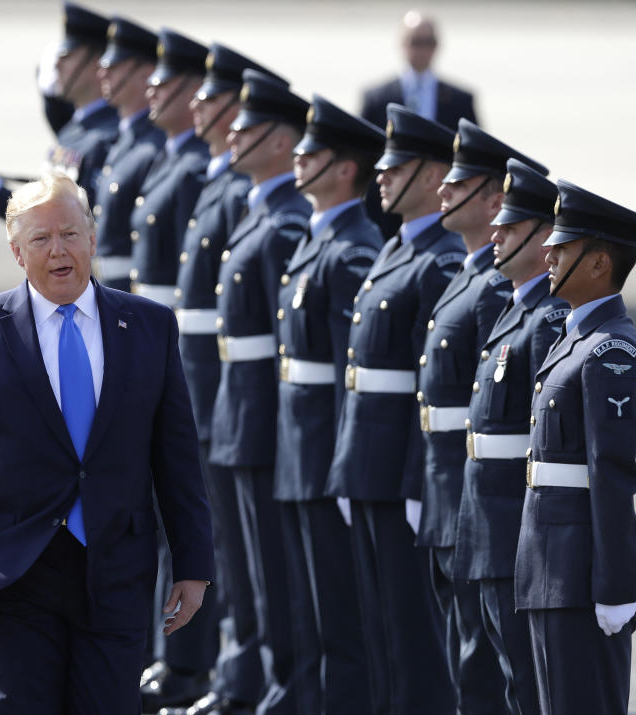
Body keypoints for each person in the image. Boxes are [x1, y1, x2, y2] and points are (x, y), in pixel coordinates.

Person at [0, 172, 215, 713]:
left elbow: (176, 457)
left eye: (70, 234)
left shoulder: (149, 326)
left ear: (93, 239)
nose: (59, 250)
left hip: (116, 569)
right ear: (16, 251)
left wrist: (193, 564)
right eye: (41, 239)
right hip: (12, 571)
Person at [324, 102, 463, 715]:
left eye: (397, 166)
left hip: (399, 477)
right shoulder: (394, 251)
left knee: (415, 642)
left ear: (433, 177)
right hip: (367, 470)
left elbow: (430, 389)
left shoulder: (440, 264)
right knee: (379, 634)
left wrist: (416, 483)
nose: (381, 175)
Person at [164, 44, 285, 715]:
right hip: (211, 390)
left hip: (236, 399)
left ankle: (243, 675)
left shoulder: (247, 195)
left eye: (222, 105)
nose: (215, 117)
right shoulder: (222, 181)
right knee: (232, 551)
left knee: (250, 558)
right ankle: (233, 671)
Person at [417, 118, 546, 713]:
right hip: (458, 493)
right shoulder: (476, 280)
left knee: (490, 666)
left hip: (493, 508)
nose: (443, 187)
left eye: (460, 181)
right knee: (464, 655)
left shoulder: (500, 292)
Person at [515, 180, 636, 715]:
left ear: (599, 263)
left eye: (564, 246)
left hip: (579, 576)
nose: (548, 252)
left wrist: (615, 585)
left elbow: (612, 473)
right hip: (549, 568)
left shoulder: (610, 349)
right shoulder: (576, 340)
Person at [277, 94, 385, 715]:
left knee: (339, 616)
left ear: (345, 168)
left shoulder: (352, 250)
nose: (298, 158)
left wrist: (344, 465)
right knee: (307, 607)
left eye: (311, 152)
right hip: (299, 443)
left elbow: (353, 372)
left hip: (324, 450)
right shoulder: (322, 239)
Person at [210, 69, 312, 715]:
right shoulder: (261, 212)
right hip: (236, 407)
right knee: (245, 570)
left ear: (280, 141)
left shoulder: (283, 223)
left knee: (276, 575)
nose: (233, 133)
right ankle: (252, 682)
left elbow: (289, 343)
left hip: (265, 417)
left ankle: (285, 690)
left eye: (248, 127)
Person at [451, 158, 568, 715]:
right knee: (487, 675)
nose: (494, 232)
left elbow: (549, 443)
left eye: (510, 225)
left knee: (523, 684)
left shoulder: (546, 320)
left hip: (514, 534)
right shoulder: (515, 310)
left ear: (545, 237)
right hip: (484, 523)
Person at [0, 3, 120, 219]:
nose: (57, 64)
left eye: (67, 55)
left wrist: (0, 199)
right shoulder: (78, 125)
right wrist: (51, 100)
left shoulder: (111, 135)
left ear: (98, 64)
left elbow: (75, 225)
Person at [127, 28, 210, 308]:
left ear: (193, 92)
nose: (151, 92)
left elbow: (188, 270)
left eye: (162, 85)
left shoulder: (195, 168)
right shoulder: (170, 155)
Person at [90, 16, 166, 291]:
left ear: (145, 73)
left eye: (114, 66)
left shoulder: (155, 144)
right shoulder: (128, 136)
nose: (102, 73)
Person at [360, 10, 477, 131]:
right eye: (415, 42)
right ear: (402, 43)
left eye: (429, 42)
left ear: (437, 45)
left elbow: (474, 147)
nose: (423, 50)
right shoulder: (376, 99)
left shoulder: (461, 101)